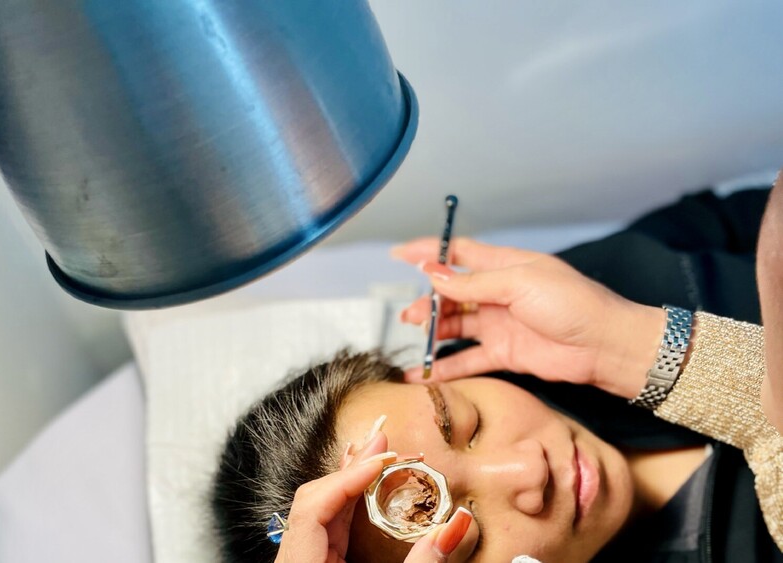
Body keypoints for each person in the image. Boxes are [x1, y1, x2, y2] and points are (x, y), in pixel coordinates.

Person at [211, 181, 783, 562]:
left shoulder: (580, 297)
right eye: (467, 538)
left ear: (432, 375)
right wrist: (640, 351)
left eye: (466, 421)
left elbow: (740, 219)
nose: (528, 471)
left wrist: (620, 337)